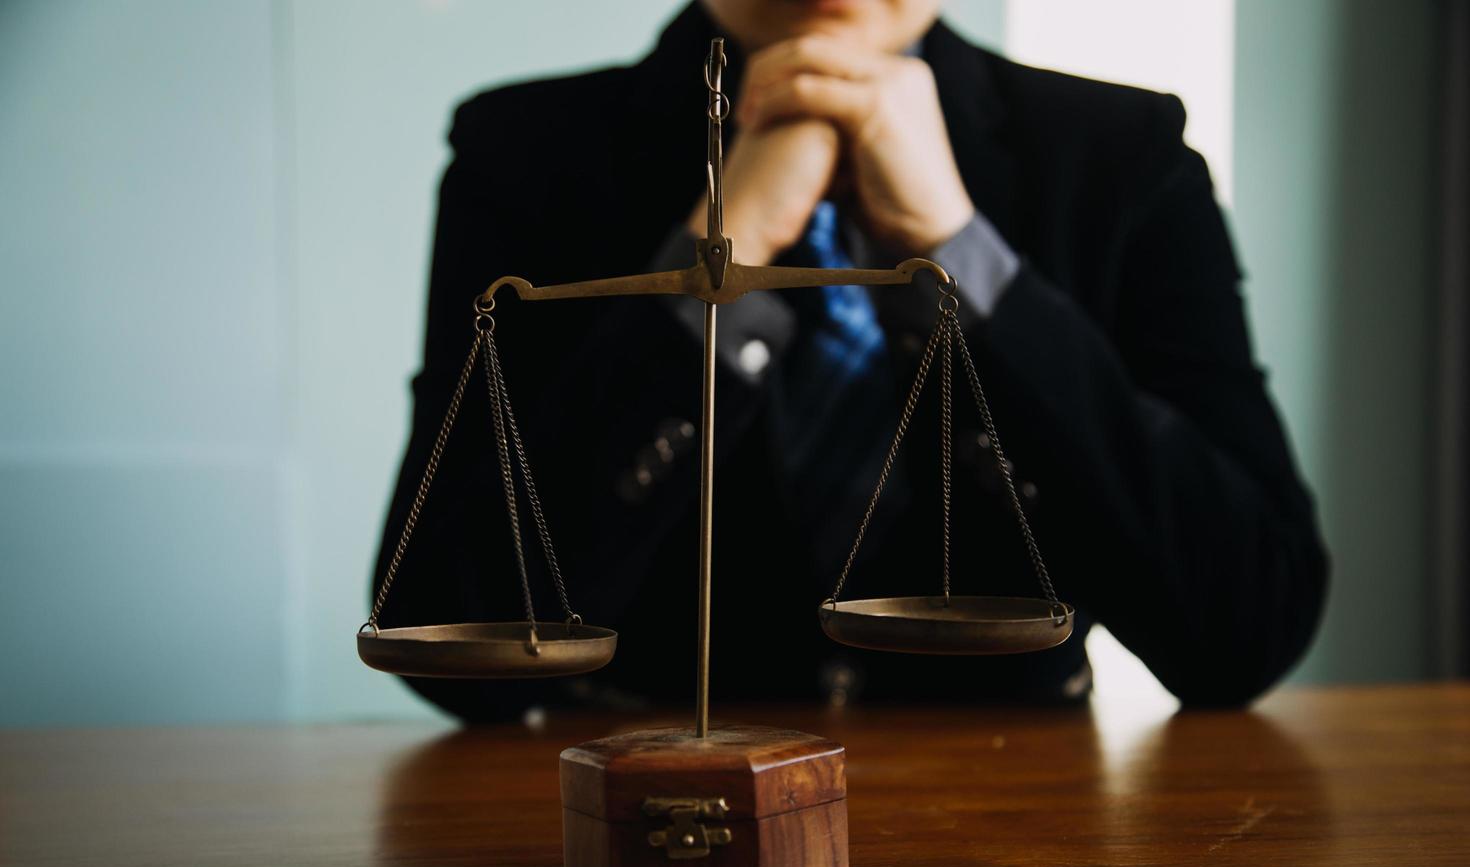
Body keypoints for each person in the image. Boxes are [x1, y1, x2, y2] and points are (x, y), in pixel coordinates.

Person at [373, 0, 1329, 721]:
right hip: (635, 819)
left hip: (1024, 833)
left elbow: (1247, 628)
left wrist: (960, 251)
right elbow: (446, 635)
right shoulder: (522, 155)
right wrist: (716, 252)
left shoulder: (1125, 156)